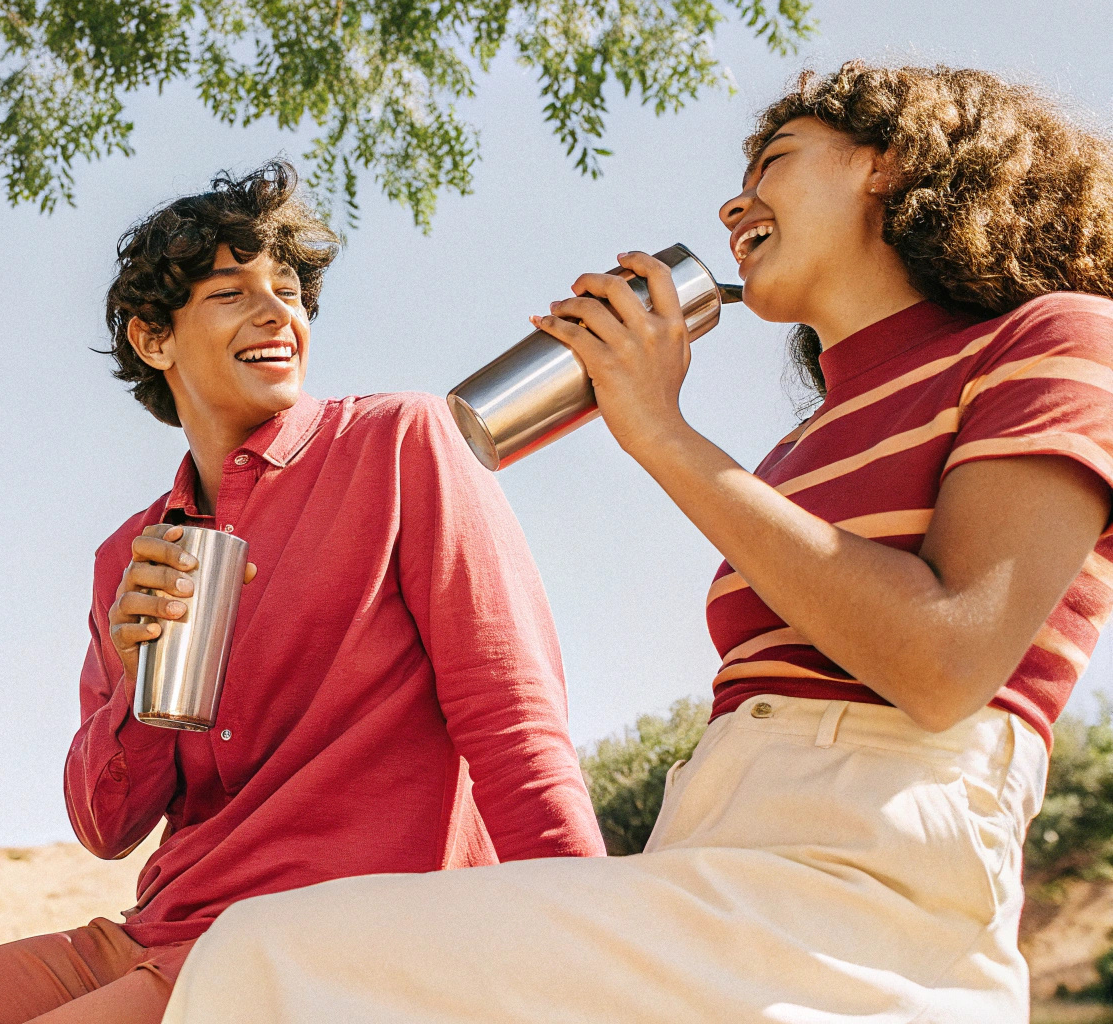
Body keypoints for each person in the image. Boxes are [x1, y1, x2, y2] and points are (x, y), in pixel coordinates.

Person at [160, 62, 1113, 1024]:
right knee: (273, 951)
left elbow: (946, 661)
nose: (737, 201)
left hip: (870, 880)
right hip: (708, 845)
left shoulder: (1058, 338)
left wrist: (660, 432)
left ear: (889, 163)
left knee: (268, 956)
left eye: (773, 161)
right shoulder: (800, 445)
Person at [0, 161, 603, 1024]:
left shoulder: (398, 443)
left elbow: (512, 718)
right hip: (161, 925)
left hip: (332, 934)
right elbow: (104, 825)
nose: (275, 314)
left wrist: (595, 946)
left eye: (288, 290)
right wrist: (142, 685)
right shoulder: (130, 554)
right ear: (154, 338)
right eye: (230, 293)